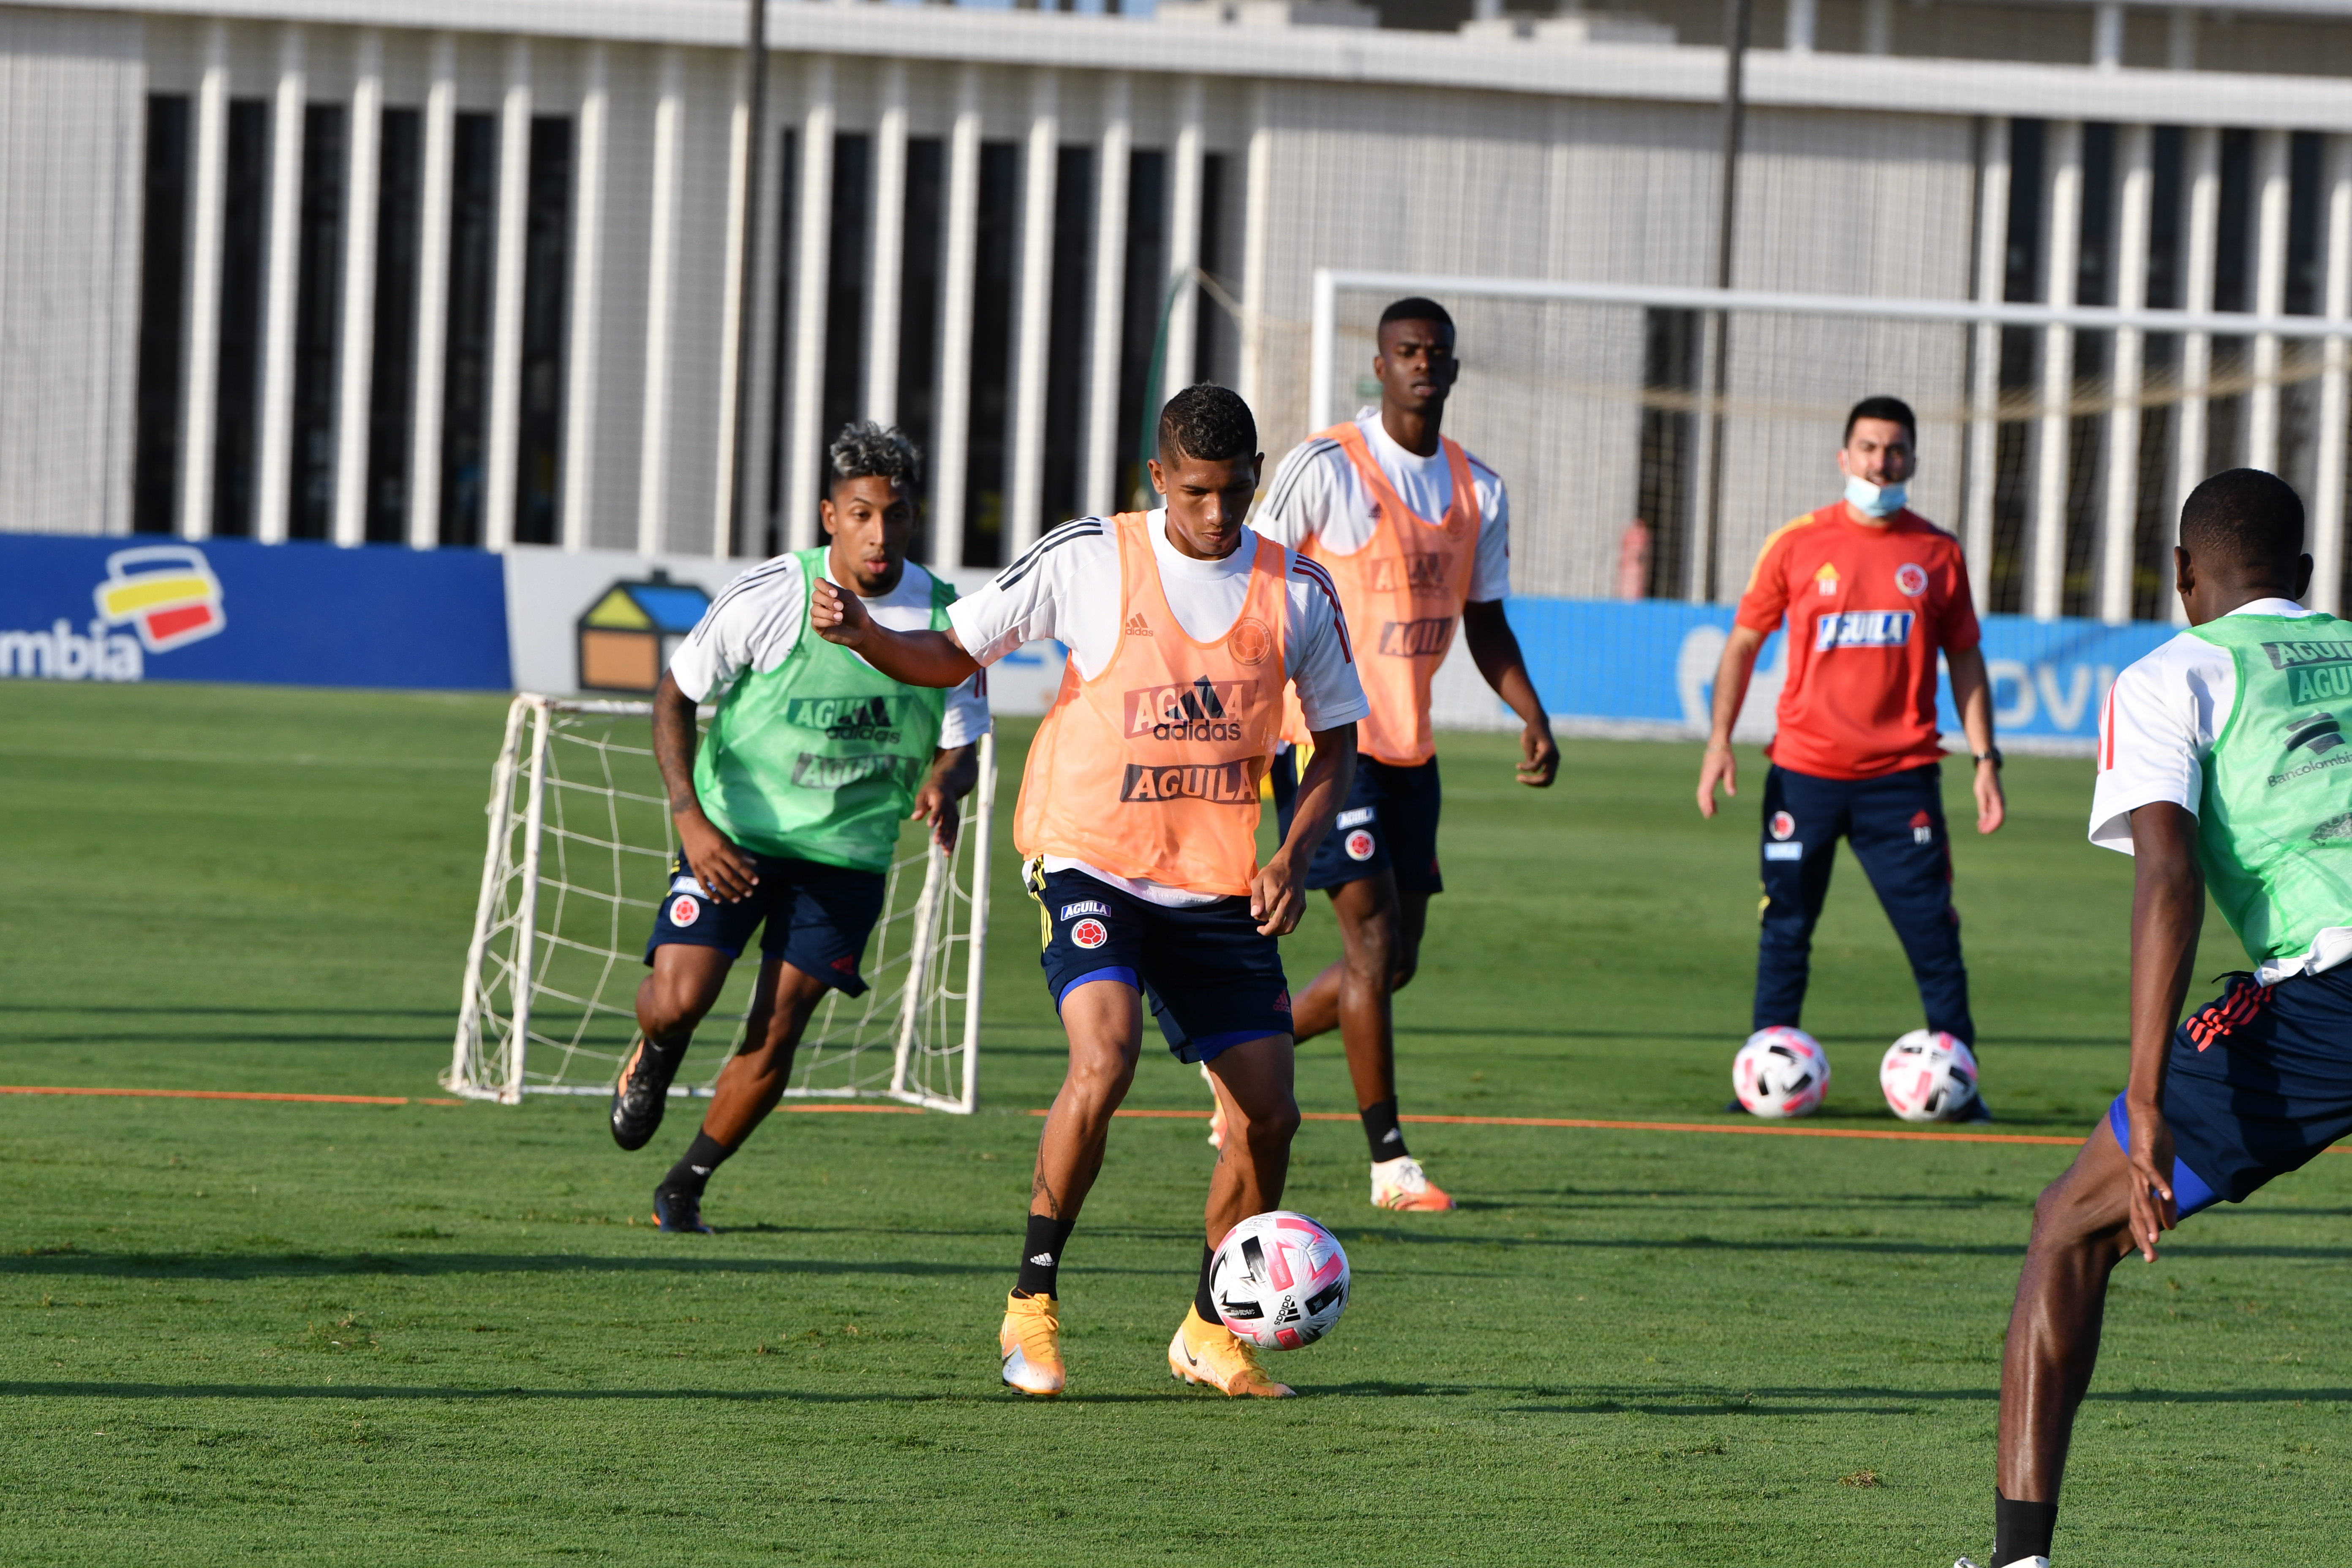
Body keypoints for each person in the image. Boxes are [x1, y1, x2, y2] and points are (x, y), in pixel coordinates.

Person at [807, 384, 1368, 1399]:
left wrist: (1294, 849)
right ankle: (1031, 1305)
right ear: (1160, 478)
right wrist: (864, 637)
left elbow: (1336, 738)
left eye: (1235, 493)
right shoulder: (1090, 556)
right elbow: (953, 649)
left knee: (1271, 1116)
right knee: (1102, 1057)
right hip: (1090, 857)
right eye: (1197, 492)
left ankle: (1210, 1327)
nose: (1216, 514)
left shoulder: (1298, 590)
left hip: (1218, 882)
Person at [1961, 471, 2345, 1568]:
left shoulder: (2171, 673)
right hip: (2318, 995)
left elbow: (2167, 874)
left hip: (2330, 1002)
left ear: (2182, 574)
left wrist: (2144, 1092)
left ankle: (2019, 1560)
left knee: (2069, 1226)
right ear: (2306, 577)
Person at [606, 422, 989, 1234]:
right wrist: (691, 821)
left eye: (895, 515)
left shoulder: (950, 614)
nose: (879, 533)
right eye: (861, 514)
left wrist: (944, 784)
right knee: (679, 1001)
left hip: (847, 859)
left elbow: (965, 746)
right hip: (736, 835)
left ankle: (685, 1186)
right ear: (829, 516)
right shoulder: (774, 593)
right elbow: (674, 697)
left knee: (776, 1031)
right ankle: (657, 1052)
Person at [1238, 296, 1559, 1211]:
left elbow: (1485, 618)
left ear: (1454, 370)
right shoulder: (1324, 467)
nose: (1424, 363)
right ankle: (1389, 1161)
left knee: (1394, 959)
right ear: (1378, 365)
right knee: (1371, 943)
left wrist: (1531, 712)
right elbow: (1253, 582)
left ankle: (1238, 1056)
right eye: (1407, 350)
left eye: (1437, 353)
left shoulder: (1477, 489)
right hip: (1325, 739)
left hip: (1410, 748)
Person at [1698, 395, 2005, 1111]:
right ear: (1844, 456)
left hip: (1902, 780)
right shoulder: (1799, 543)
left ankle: (1961, 1085)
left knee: (1934, 932)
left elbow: (1965, 656)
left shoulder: (1936, 552)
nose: (1881, 462)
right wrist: (1719, 743)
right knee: (1787, 925)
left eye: (1895, 450)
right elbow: (1743, 643)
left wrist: (1986, 758)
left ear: (1914, 461)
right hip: (1804, 774)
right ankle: (1765, 1078)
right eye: (1868, 448)